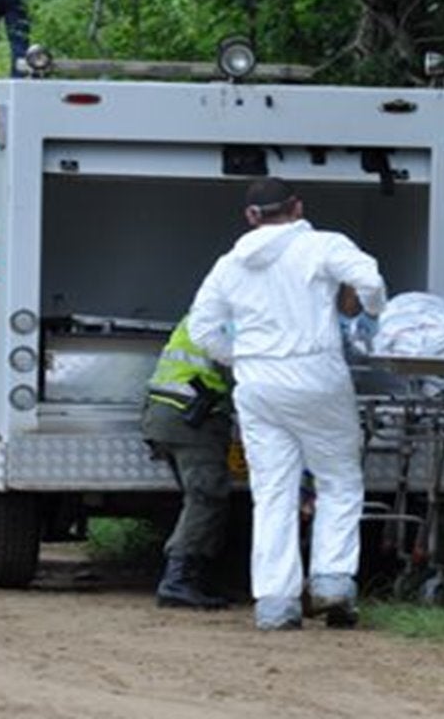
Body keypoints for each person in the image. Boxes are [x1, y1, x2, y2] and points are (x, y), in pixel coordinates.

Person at [188, 178, 387, 631]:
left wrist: (242, 358)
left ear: (251, 216)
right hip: (316, 374)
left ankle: (276, 602)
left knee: (273, 491)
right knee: (338, 478)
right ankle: (333, 582)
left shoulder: (229, 265)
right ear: (297, 207)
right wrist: (369, 311)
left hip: (258, 382)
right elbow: (370, 280)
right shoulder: (322, 245)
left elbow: (203, 330)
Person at [141, 314, 233, 610]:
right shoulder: (229, 320)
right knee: (207, 497)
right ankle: (177, 582)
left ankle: (195, 577)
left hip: (168, 414)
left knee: (200, 499)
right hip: (190, 417)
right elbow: (240, 371)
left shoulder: (205, 313)